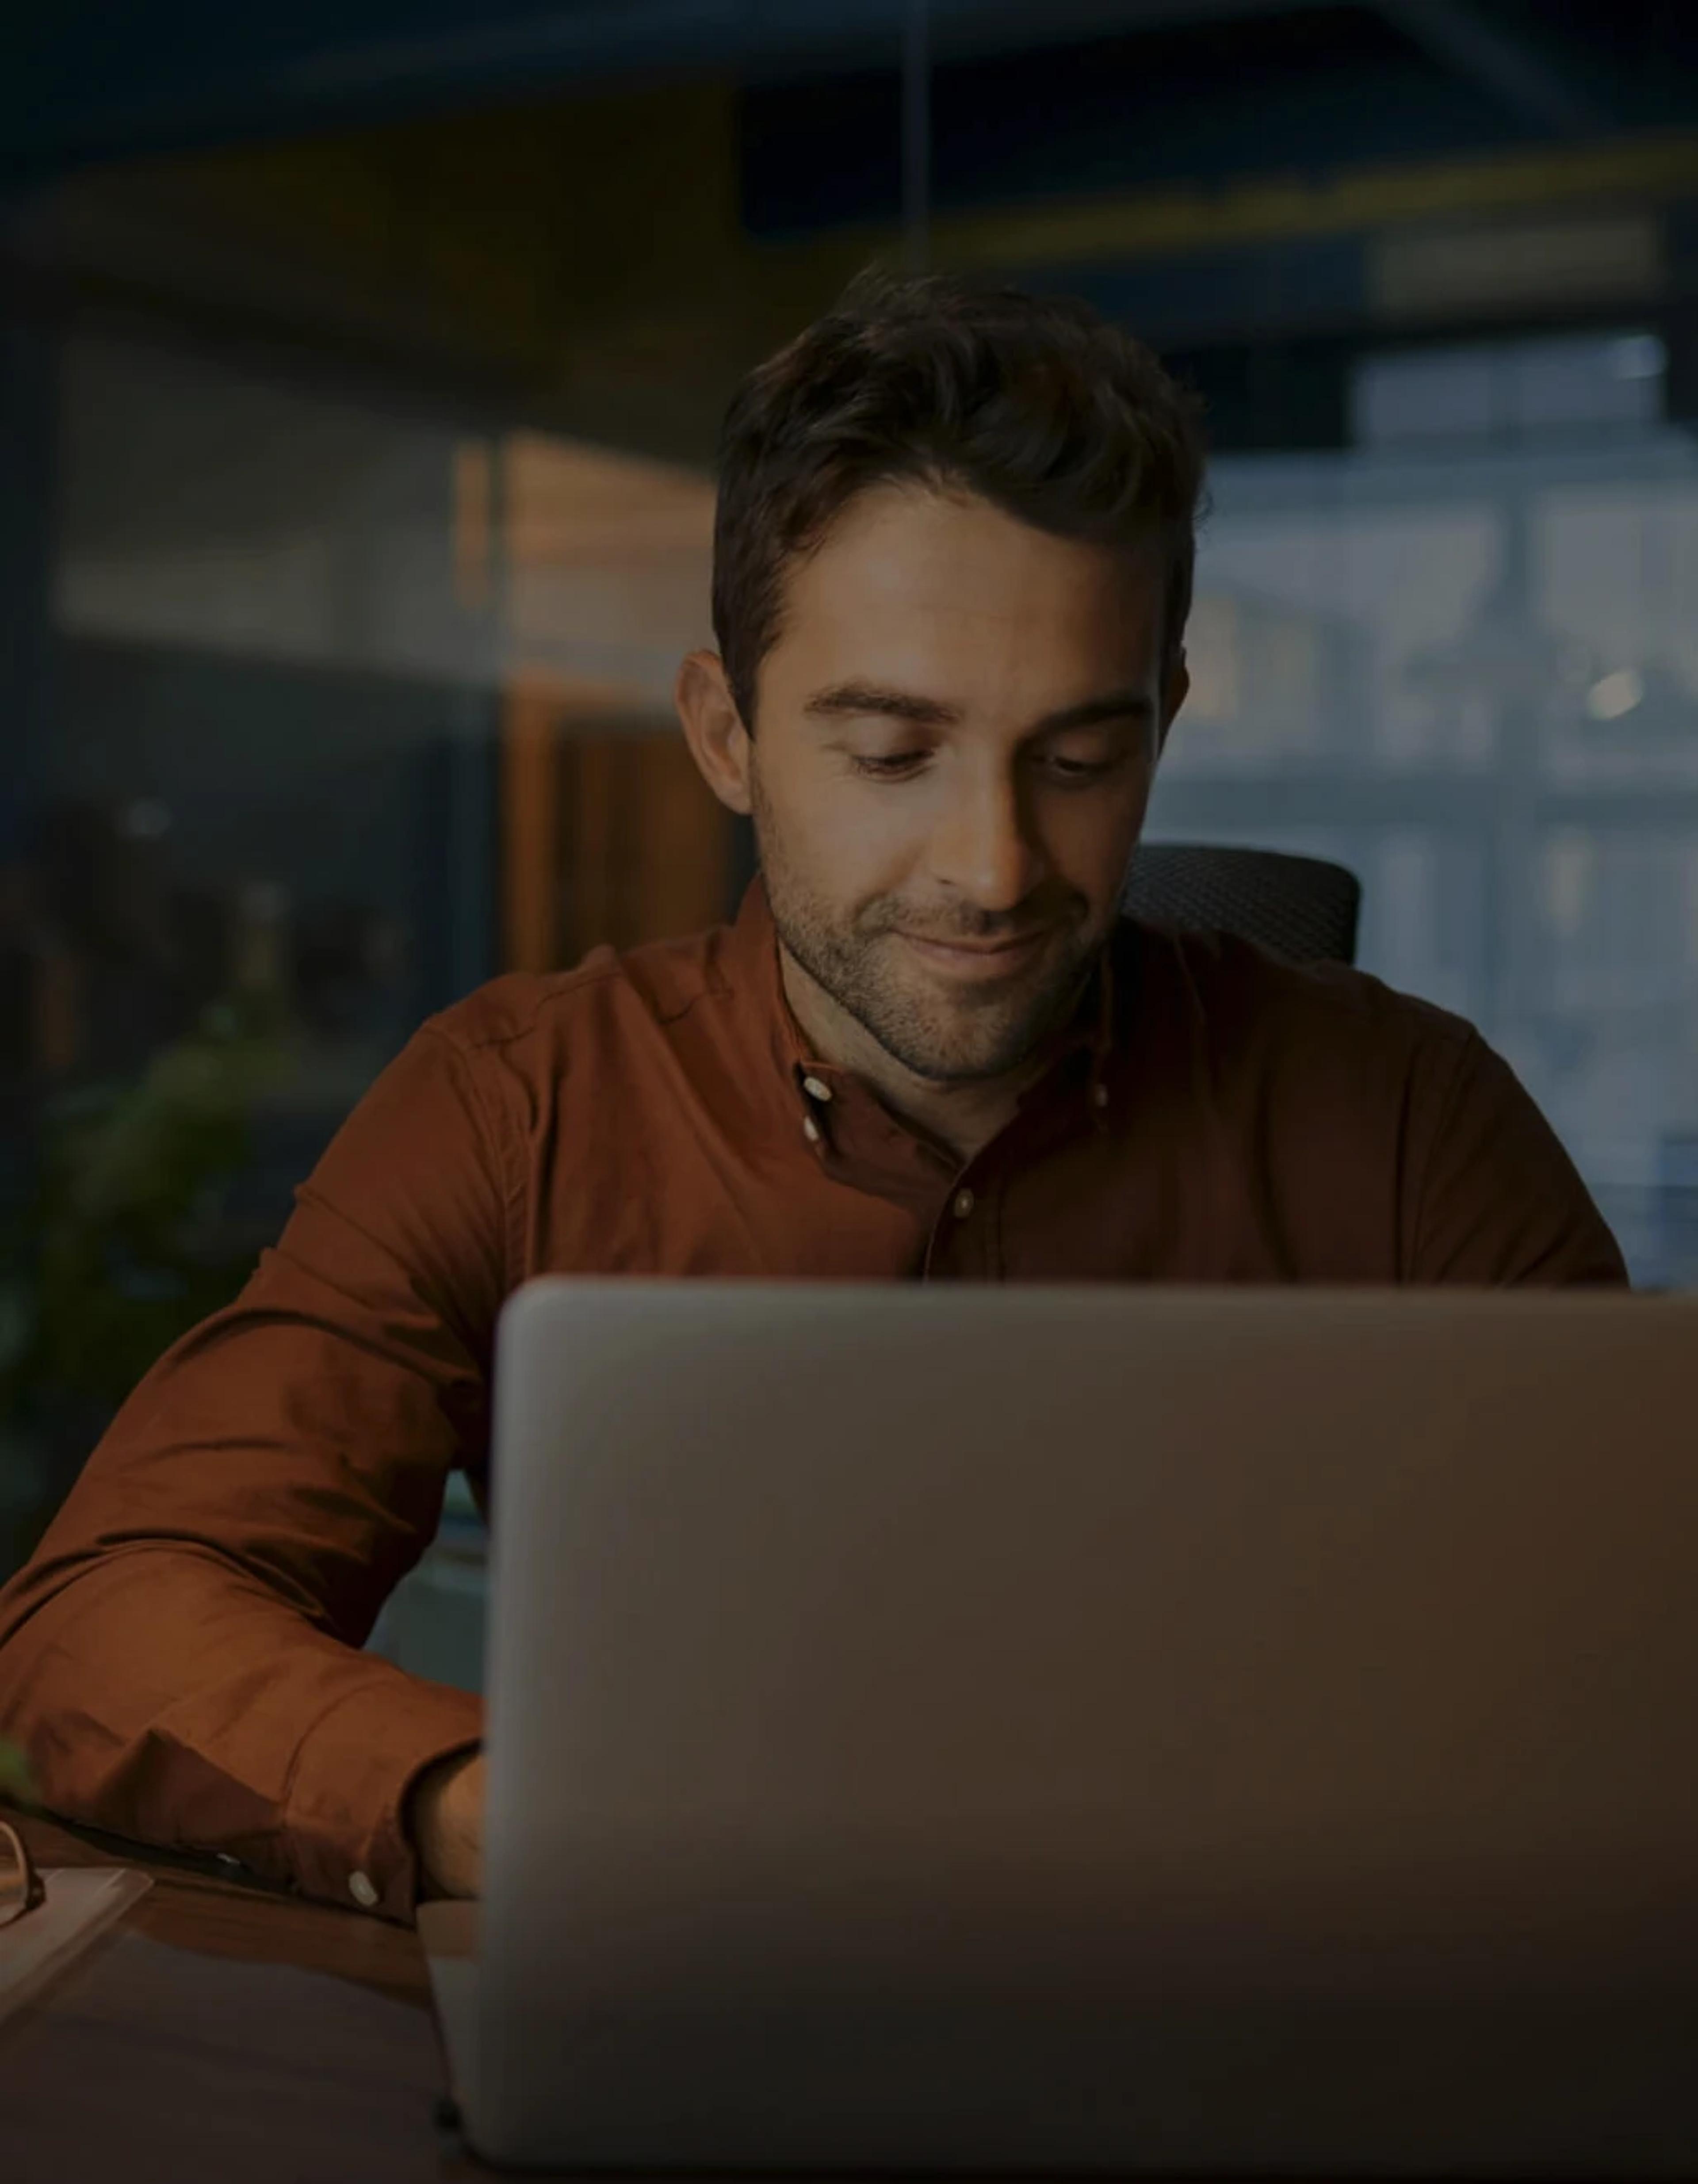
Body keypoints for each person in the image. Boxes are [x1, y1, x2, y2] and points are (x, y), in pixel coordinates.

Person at [0, 272, 1625, 1921]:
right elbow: (109, 1615)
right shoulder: (515, 1108)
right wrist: (503, 1815)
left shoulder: (1413, 1118)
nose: (992, 868)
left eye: (1078, 759)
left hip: (1294, 2019)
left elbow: (1636, 1655)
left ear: (1165, 724)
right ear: (726, 733)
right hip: (678, 2008)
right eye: (890, 751)